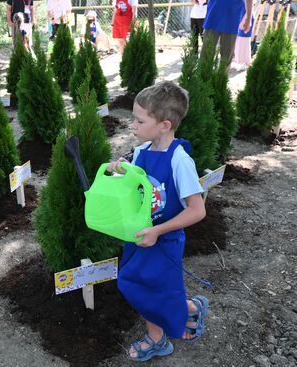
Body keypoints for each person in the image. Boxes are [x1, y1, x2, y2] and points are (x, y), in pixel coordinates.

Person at [106, 81, 208, 362]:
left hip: (165, 242)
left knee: (155, 290)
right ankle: (188, 308)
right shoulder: (140, 152)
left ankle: (157, 338)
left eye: (139, 120)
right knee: (132, 284)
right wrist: (121, 171)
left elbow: (197, 211)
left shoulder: (179, 161)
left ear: (164, 125)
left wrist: (158, 230)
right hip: (139, 236)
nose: (133, 126)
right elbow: (138, 187)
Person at [202, 0, 253, 66]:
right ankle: (202, 76)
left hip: (232, 19)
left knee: (226, 58)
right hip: (213, 16)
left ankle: (222, 76)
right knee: (206, 54)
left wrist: (249, 19)